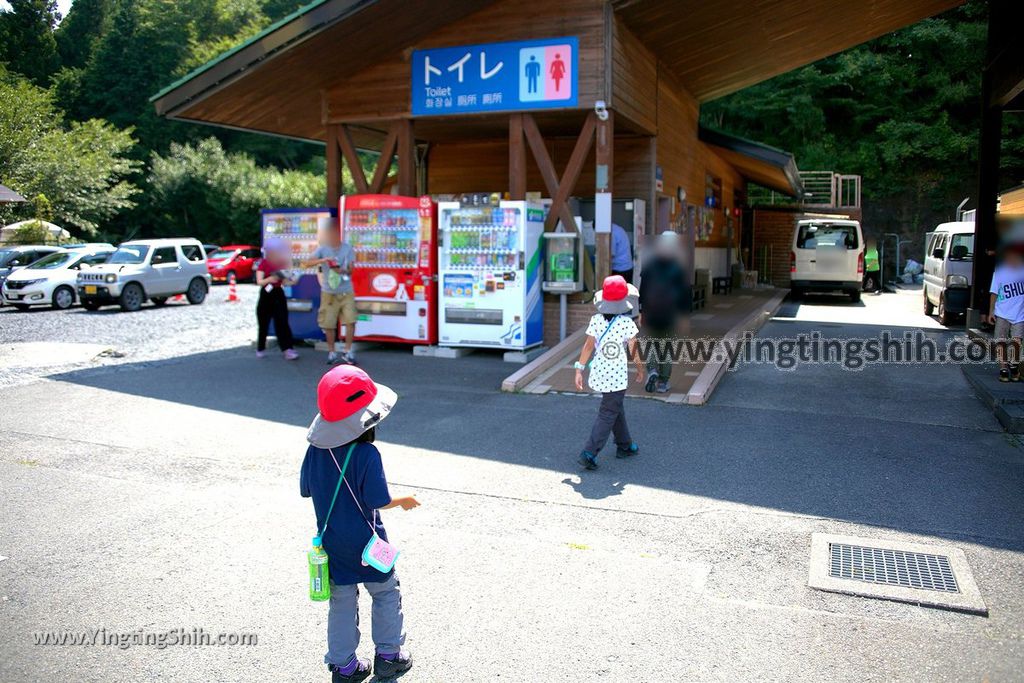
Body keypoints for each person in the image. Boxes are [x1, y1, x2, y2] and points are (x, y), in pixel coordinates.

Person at [301, 365, 420, 682]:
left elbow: (307, 489)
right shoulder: (367, 454)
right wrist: (404, 500)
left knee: (341, 601)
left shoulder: (314, 451)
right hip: (367, 542)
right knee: (385, 593)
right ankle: (389, 656)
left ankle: (343, 666)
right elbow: (378, 500)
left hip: (332, 542)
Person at [574, 275, 646, 470]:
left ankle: (625, 445)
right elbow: (633, 351)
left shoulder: (596, 320)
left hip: (599, 371)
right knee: (608, 411)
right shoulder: (627, 324)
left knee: (615, 406)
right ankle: (589, 452)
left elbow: (588, 347)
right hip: (616, 375)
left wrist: (579, 370)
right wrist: (640, 370)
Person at [639, 232, 687, 393]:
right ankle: (663, 382)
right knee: (666, 349)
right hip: (669, 315)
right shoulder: (677, 267)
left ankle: (652, 370)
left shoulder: (650, 264)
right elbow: (684, 294)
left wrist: (641, 311)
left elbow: (643, 290)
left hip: (651, 313)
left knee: (652, 345)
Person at [304, 225, 358, 365]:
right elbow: (306, 263)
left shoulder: (347, 248)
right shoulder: (323, 249)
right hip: (328, 292)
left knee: (351, 320)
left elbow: (352, 269)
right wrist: (322, 261)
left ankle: (348, 351)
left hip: (346, 290)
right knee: (329, 323)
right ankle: (331, 352)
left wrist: (343, 270)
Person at [255, 238, 299, 360]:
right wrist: (270, 279)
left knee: (282, 321)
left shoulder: (282, 263)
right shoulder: (263, 263)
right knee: (263, 322)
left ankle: (287, 349)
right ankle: (260, 347)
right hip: (266, 293)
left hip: (278, 293)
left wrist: (293, 281)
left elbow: (285, 281)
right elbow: (259, 281)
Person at [986, 246, 1024, 382]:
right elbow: (994, 293)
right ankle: (1003, 368)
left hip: (1020, 313)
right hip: (1002, 312)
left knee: (1017, 341)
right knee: (1000, 341)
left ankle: (1013, 365)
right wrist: (991, 312)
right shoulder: (999, 272)